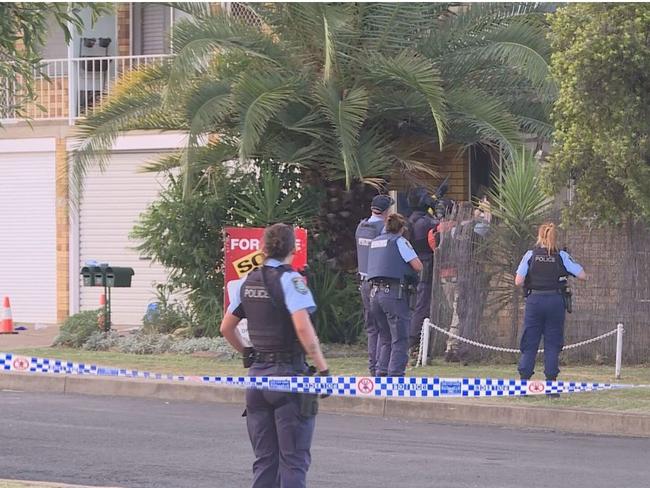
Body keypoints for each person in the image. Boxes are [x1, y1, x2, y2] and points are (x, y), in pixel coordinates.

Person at [220, 223, 329, 488]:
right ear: (293, 249)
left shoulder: (249, 281)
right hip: (289, 378)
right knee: (292, 461)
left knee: (265, 460)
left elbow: (226, 327)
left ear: (262, 248)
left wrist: (247, 351)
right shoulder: (291, 280)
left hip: (257, 380)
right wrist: (322, 369)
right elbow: (303, 327)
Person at [514, 223, 587, 386]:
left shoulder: (530, 255)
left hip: (535, 301)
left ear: (539, 236)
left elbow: (518, 281)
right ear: (555, 237)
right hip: (555, 301)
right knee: (553, 342)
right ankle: (551, 383)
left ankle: (524, 381)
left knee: (530, 341)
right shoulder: (561, 256)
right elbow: (582, 275)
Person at [368, 213, 423, 376]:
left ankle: (381, 372)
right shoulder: (400, 241)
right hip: (393, 294)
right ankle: (396, 376)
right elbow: (418, 265)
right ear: (402, 229)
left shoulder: (376, 241)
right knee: (400, 338)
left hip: (374, 294)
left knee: (385, 337)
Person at [355, 194, 393, 376]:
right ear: (386, 212)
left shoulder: (361, 227)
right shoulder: (383, 230)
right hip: (378, 284)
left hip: (363, 283)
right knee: (384, 329)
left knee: (371, 329)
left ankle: (372, 367)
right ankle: (381, 368)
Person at [406, 188, 439, 353]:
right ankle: (413, 342)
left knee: (417, 305)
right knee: (422, 305)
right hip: (424, 265)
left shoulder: (412, 220)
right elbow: (441, 227)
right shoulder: (424, 222)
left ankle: (415, 340)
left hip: (415, 265)